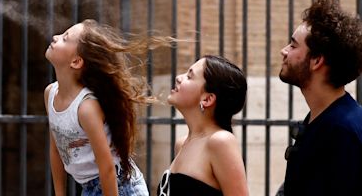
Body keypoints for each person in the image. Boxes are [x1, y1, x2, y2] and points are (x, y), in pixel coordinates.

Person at [44, 19, 171, 196]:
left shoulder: (86, 108)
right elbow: (56, 149)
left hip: (121, 188)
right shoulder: (50, 93)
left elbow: (107, 169)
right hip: (90, 188)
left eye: (65, 38)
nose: (55, 37)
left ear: (76, 61)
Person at [279, 0, 362, 195]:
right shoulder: (327, 116)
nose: (284, 51)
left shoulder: (342, 130)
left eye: (293, 45)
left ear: (317, 61)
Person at [157, 55, 249, 196]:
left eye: (189, 76)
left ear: (207, 99)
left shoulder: (220, 141)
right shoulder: (181, 144)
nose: (178, 78)